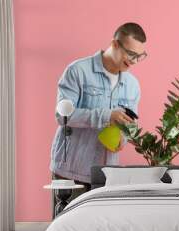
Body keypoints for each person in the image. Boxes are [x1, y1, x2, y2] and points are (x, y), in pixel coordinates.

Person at [49, 22, 147, 199]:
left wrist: (123, 138)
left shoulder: (132, 85)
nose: (134, 60)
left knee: (100, 226)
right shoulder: (78, 71)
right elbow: (62, 116)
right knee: (70, 224)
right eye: (131, 54)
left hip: (106, 174)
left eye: (140, 56)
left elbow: (131, 124)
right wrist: (107, 116)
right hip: (72, 169)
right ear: (115, 44)